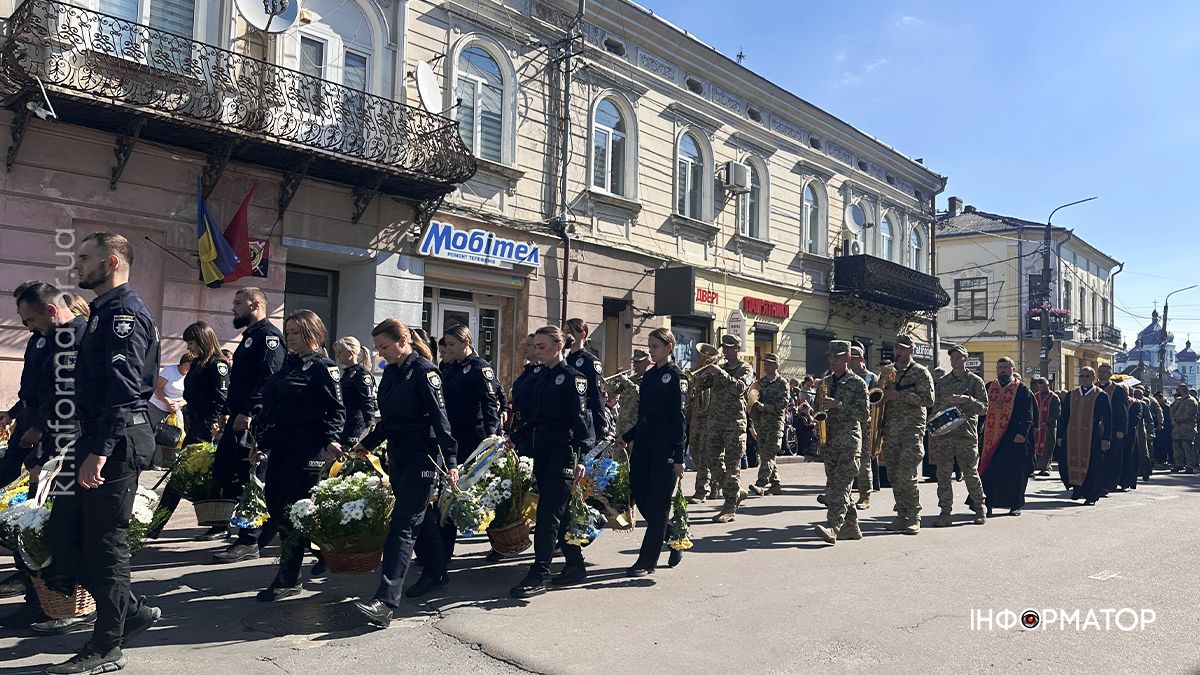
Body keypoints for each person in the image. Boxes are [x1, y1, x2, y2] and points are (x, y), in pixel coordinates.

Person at [43, 233, 162, 674]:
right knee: (64, 537)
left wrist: (100, 451)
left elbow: (125, 390)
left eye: (85, 258)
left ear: (111, 262)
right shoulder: (103, 312)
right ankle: (130, 611)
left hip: (114, 442)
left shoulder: (124, 314)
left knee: (104, 546)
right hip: (93, 439)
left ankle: (106, 645)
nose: (78, 265)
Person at [351, 320, 458, 626]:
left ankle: (385, 603)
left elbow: (441, 421)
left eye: (384, 346)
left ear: (403, 341)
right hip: (398, 454)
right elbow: (388, 420)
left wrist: (450, 460)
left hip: (422, 457)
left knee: (403, 525)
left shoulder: (425, 372)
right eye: (378, 348)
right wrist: (366, 445)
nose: (380, 353)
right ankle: (436, 572)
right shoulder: (393, 373)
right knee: (417, 520)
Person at [2, 283, 88, 633]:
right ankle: (38, 596)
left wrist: (41, 434)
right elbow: (38, 390)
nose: (28, 327)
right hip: (42, 436)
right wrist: (18, 414)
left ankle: (62, 601)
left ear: (50, 311)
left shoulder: (75, 338)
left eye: (30, 319)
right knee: (32, 518)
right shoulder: (48, 337)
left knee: (54, 523)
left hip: (65, 443)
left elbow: (66, 397)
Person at [252, 310, 345, 602]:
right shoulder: (289, 365)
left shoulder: (323, 367)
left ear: (311, 333)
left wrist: (331, 438)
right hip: (281, 445)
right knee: (278, 507)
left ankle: (289, 578)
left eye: (294, 332)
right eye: (288, 332)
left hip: (307, 449)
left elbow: (336, 409)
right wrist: (261, 441)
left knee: (294, 512)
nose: (288, 337)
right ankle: (322, 554)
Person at [510, 326, 594, 598]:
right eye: (535, 346)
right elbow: (533, 417)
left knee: (547, 515)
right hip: (542, 451)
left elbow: (581, 423)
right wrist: (515, 437)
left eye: (542, 346)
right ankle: (575, 564)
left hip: (563, 452)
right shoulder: (540, 377)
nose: (536, 351)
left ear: (559, 346)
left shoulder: (574, 378)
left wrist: (581, 458)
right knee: (560, 512)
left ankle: (539, 573)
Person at [212, 287, 286, 558]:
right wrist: (228, 411)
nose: (233, 307)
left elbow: (268, 380)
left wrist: (249, 412)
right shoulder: (249, 337)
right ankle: (255, 530)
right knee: (228, 474)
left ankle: (249, 540)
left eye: (238, 302)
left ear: (255, 304)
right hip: (239, 417)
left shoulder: (269, 337)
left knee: (252, 481)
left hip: (256, 422)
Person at [147, 321, 230, 539]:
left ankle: (218, 525)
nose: (189, 348)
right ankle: (157, 525)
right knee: (185, 477)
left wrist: (215, 424)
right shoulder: (197, 364)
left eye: (191, 342)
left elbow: (221, 400)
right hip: (193, 426)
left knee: (187, 478)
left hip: (207, 430)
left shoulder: (217, 364)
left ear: (202, 340)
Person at [616, 327, 687, 574]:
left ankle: (646, 562)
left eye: (655, 347)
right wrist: (626, 437)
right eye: (650, 347)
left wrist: (679, 455)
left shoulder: (676, 376)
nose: (651, 352)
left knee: (658, 506)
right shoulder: (649, 376)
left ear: (669, 347)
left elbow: (679, 419)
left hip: (665, 448)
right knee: (638, 493)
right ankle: (672, 534)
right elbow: (645, 416)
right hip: (644, 446)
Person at [438, 323, 500, 560]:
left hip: (474, 437)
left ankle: (499, 541)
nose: (448, 349)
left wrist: (492, 434)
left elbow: (490, 402)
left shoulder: (479, 368)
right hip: (451, 436)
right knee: (449, 493)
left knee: (478, 491)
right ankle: (442, 554)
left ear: (467, 343)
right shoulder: (447, 368)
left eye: (452, 344)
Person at [693, 334, 754, 523]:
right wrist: (701, 372)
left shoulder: (745, 368)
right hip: (715, 422)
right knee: (711, 461)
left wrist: (720, 372)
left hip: (734, 424)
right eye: (723, 347)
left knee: (732, 465)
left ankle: (729, 508)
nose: (725, 351)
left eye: (729, 348)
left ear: (738, 348)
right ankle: (734, 492)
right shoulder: (721, 368)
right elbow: (700, 385)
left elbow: (740, 388)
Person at [812, 341, 869, 544]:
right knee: (837, 486)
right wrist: (816, 418)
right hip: (830, 442)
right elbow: (816, 410)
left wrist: (839, 405)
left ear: (848, 358)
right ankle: (851, 526)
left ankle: (833, 527)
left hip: (849, 442)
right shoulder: (824, 382)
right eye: (830, 356)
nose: (833, 360)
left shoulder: (858, 383)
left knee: (839, 487)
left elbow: (864, 414)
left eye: (837, 356)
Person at [880, 334, 934, 535]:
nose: (899, 351)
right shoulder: (887, 372)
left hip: (911, 431)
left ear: (911, 350)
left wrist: (901, 395)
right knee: (894, 475)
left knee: (907, 474)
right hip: (890, 431)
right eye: (896, 348)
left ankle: (914, 516)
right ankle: (901, 515)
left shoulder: (921, 372)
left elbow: (928, 399)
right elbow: (878, 396)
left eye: (903, 348)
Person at [1, 281, 52, 489]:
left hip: (45, 420)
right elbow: (30, 387)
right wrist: (12, 413)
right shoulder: (36, 339)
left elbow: (53, 390)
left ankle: (31, 517)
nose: (25, 322)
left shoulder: (59, 340)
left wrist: (39, 426)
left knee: (37, 470)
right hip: (27, 414)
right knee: (10, 464)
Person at [930, 345, 988, 527]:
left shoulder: (974, 381)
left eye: (958, 357)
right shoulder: (944, 382)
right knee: (943, 475)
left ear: (965, 358)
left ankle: (980, 509)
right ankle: (945, 512)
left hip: (966, 435)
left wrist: (967, 400)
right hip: (945, 435)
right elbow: (937, 405)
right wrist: (931, 420)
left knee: (970, 473)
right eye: (952, 357)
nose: (955, 360)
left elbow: (984, 408)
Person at [979, 358, 1033, 516]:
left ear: (1012, 368)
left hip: (1013, 437)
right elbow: (982, 410)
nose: (1002, 370)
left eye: (1005, 367)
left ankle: (1015, 504)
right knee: (989, 471)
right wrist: (979, 429)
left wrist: (1023, 433)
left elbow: (1028, 413)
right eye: (999, 367)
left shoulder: (1021, 389)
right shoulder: (989, 387)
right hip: (991, 437)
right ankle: (987, 504)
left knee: (1015, 472)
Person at [1056, 367, 1113, 505]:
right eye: (1081, 376)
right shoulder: (1072, 394)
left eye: (1087, 376)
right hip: (1072, 434)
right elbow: (1064, 416)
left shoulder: (1100, 395)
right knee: (1071, 462)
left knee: (1093, 464)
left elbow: (1108, 418)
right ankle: (1077, 489)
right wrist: (1060, 435)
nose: (1083, 378)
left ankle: (1092, 495)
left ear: (1093, 378)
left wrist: (1106, 439)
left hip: (1092, 435)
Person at [749, 353, 788, 496]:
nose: (766, 366)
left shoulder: (782, 383)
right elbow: (752, 400)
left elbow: (783, 403)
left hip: (775, 423)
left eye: (770, 364)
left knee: (769, 453)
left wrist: (765, 407)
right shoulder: (760, 383)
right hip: (762, 423)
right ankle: (776, 484)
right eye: (765, 364)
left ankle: (761, 484)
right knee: (765, 454)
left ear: (777, 366)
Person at [565, 318, 610, 441]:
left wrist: (601, 429)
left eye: (569, 331)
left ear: (582, 334)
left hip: (584, 418)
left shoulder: (590, 361)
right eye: (564, 331)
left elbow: (597, 395)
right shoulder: (564, 361)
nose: (565, 335)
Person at [686, 344, 718, 503]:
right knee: (695, 452)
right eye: (704, 358)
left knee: (705, 455)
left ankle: (701, 491)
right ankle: (715, 483)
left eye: (709, 359)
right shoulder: (698, 376)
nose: (705, 361)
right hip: (696, 418)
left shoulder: (717, 376)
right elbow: (690, 396)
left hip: (710, 418)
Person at [148, 353, 191, 468]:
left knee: (179, 434)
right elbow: (157, 388)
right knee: (157, 433)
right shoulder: (169, 370)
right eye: (188, 365)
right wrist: (168, 402)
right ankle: (157, 463)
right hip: (158, 405)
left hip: (176, 407)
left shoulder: (191, 375)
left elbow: (190, 395)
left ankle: (175, 462)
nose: (189, 369)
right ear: (182, 363)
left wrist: (178, 404)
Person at [609, 349, 652, 462]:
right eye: (634, 362)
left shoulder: (649, 380)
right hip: (622, 428)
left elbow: (640, 395)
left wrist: (626, 382)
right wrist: (615, 379)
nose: (635, 365)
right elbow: (610, 392)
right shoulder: (631, 379)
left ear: (647, 362)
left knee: (635, 462)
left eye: (639, 362)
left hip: (635, 429)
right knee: (618, 464)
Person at [333, 336, 377, 447]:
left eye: (340, 352)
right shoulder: (347, 374)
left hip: (356, 424)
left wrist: (370, 422)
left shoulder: (361, 374)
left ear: (351, 352)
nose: (337, 356)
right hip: (345, 422)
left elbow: (367, 400)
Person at [849, 344, 878, 507]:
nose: (850, 363)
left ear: (861, 360)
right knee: (846, 461)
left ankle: (865, 496)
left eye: (853, 359)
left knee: (864, 462)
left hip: (866, 425)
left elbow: (877, 401)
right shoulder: (846, 377)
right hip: (848, 424)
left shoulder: (871, 378)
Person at [1095, 364, 1129, 495]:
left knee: (1112, 457)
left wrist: (1121, 429)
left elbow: (1122, 411)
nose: (1102, 374)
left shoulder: (1117, 390)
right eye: (1100, 371)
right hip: (1096, 430)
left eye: (1104, 372)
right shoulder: (1094, 388)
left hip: (1114, 430)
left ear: (1110, 374)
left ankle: (1109, 484)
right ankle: (1097, 483)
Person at [1031, 376, 1061, 476]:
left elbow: (1057, 412)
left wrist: (1048, 422)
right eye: (1040, 387)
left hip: (1049, 427)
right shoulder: (1035, 396)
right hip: (1037, 427)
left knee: (1047, 446)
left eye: (1044, 387)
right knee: (1035, 446)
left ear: (1048, 385)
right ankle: (1034, 466)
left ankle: (1045, 467)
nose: (1042, 389)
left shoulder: (1054, 397)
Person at [1124, 387, 1151, 488]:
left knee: (1143, 452)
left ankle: (1146, 472)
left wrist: (1151, 432)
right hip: (1129, 431)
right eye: (1136, 394)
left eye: (1140, 395)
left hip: (1140, 430)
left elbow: (1149, 418)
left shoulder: (1142, 404)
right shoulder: (1125, 402)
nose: (1138, 396)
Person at [1169, 383, 1198, 473]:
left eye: (1178, 390)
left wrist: (1179, 419)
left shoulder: (1191, 401)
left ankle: (1190, 466)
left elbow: (1189, 414)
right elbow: (1172, 411)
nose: (1177, 392)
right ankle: (1179, 464)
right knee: (1176, 446)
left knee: (1187, 446)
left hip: (1187, 428)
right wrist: (1173, 420)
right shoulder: (1177, 401)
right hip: (1177, 428)